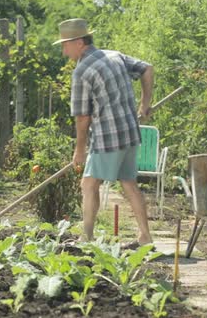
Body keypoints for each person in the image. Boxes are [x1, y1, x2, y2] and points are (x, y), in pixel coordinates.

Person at [53, 18, 154, 247]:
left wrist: (79, 150)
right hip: (129, 132)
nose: (63, 50)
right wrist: (145, 103)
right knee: (129, 184)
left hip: (108, 137)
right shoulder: (114, 55)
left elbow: (82, 117)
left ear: (79, 42)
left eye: (65, 44)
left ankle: (86, 238)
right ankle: (145, 237)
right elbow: (147, 69)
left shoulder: (82, 71)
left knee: (88, 184)